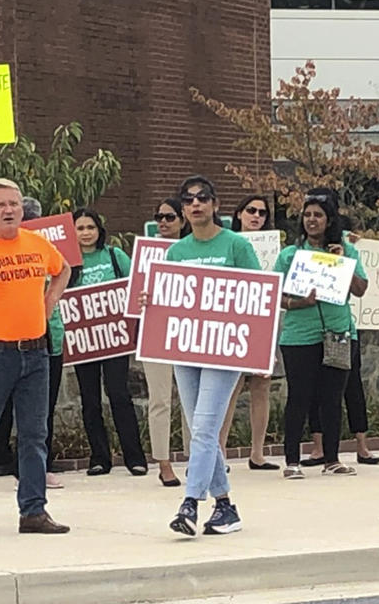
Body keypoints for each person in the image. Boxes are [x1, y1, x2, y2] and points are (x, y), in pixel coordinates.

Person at [143, 175, 260, 536]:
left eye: (203, 198)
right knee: (198, 428)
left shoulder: (236, 246)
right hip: (185, 348)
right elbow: (169, 299)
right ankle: (226, 507)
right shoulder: (176, 252)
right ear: (182, 209)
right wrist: (153, 301)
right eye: (189, 200)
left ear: (215, 204)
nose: (196, 205)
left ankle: (190, 504)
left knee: (206, 427)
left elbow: (257, 296)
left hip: (223, 350)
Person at [0, 178, 71, 534]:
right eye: (0, 205)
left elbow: (62, 269)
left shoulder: (37, 243)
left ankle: (33, 510)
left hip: (35, 351)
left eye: (14, 204)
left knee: (35, 434)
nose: (8, 210)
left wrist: (49, 302)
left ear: (22, 209)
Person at [275, 191, 367, 480]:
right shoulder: (290, 255)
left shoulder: (346, 250)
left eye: (318, 215)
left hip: (338, 332)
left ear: (330, 221)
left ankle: (332, 459)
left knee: (332, 397)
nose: (311, 220)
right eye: (307, 215)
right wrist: (298, 303)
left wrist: (344, 264)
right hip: (299, 337)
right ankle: (292, 460)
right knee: (299, 397)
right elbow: (275, 295)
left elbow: (361, 289)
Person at [0, 196, 66, 490]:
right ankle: (7, 460)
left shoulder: (43, 247)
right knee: (4, 407)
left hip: (47, 335)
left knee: (40, 410)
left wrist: (48, 304)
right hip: (7, 340)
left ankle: (37, 467)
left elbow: (64, 271)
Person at [70, 207, 148, 476]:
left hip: (115, 339)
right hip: (82, 342)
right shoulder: (67, 262)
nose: (86, 233)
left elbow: (136, 285)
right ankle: (99, 458)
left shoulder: (115, 255)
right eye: (80, 228)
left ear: (99, 230)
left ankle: (134, 457)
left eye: (90, 227)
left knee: (119, 395)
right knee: (90, 401)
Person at [218, 195, 279, 471]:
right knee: (230, 386)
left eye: (262, 212)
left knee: (262, 385)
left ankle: (257, 453)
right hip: (234, 318)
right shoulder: (228, 242)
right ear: (239, 213)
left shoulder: (274, 248)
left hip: (264, 318)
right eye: (251, 211)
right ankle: (219, 450)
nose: (257, 216)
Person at [142, 197, 191, 487]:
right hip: (155, 330)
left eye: (169, 217)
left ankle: (195, 459)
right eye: (158, 217)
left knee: (191, 400)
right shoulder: (146, 252)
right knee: (159, 399)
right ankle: (163, 463)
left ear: (182, 221)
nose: (163, 222)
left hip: (187, 331)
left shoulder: (192, 252)